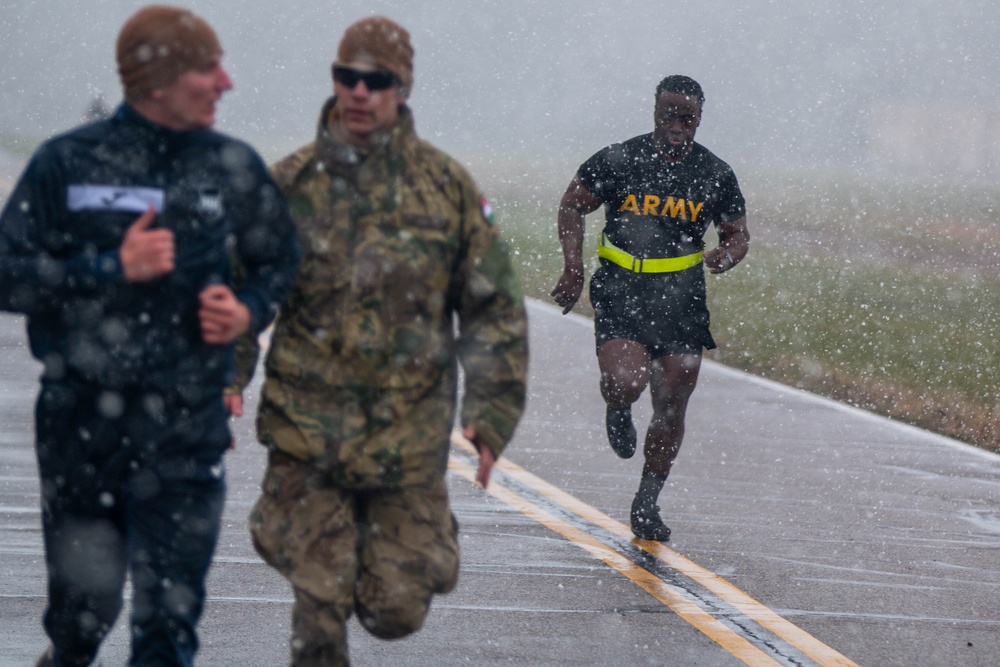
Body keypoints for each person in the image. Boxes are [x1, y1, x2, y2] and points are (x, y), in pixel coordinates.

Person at [0, 6, 300, 666]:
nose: (226, 82)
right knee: (82, 619)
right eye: (208, 67)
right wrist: (108, 269)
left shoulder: (230, 166)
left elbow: (281, 256)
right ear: (157, 78)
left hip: (185, 430)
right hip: (83, 428)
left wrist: (249, 308)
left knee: (167, 625)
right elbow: (7, 273)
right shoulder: (68, 164)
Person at [225, 16, 529, 667]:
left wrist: (490, 412)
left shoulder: (445, 188)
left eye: (377, 80)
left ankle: (418, 545)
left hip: (406, 439)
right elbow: (238, 290)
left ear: (402, 88)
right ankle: (312, 560)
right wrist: (227, 372)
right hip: (308, 436)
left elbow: (493, 308)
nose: (359, 92)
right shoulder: (289, 187)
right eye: (348, 77)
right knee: (320, 607)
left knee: (394, 609)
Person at [551, 75, 749, 542]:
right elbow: (571, 205)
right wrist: (574, 268)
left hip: (682, 298)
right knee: (626, 381)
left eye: (687, 118)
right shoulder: (622, 159)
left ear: (700, 118)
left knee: (673, 403)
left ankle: (646, 501)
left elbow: (738, 233)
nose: (677, 125)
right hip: (623, 289)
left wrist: (728, 254)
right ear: (654, 112)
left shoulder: (714, 173)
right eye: (668, 115)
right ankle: (617, 407)